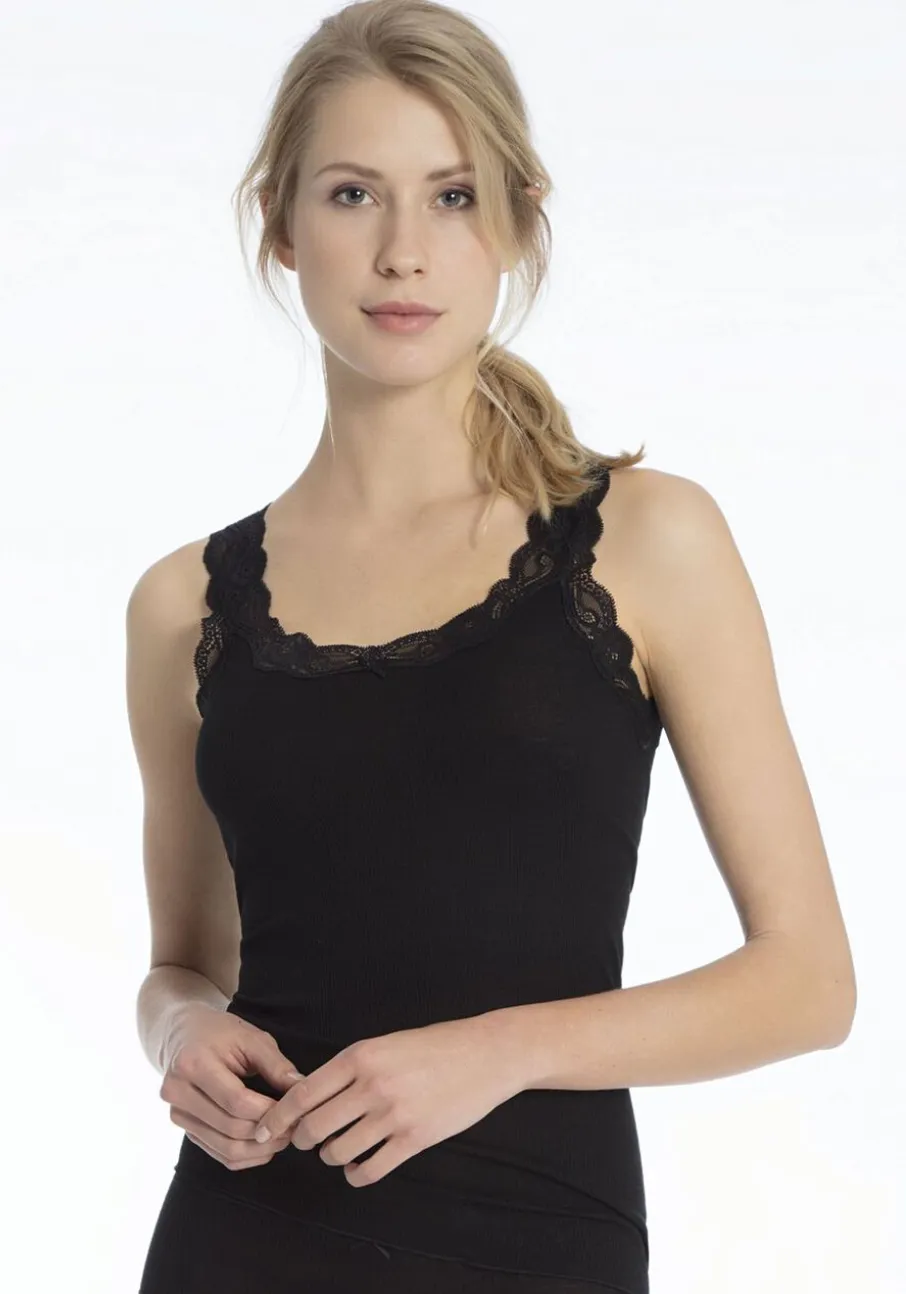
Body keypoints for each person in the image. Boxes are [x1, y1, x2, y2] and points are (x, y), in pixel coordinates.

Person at [127, 2, 856, 1290]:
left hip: (538, 1242)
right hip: (240, 1236)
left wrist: (498, 1050)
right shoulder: (184, 605)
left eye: (453, 196)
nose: (404, 250)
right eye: (354, 194)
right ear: (280, 224)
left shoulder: (649, 541)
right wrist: (179, 1027)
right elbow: (186, 965)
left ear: (517, 221)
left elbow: (807, 984)